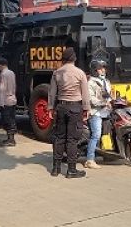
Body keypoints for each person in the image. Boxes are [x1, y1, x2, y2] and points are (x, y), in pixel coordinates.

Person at [48, 47, 90, 178]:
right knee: (71, 140)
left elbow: (52, 92)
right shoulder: (80, 73)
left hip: (61, 107)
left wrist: (50, 108)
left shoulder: (57, 73)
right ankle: (71, 170)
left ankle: (56, 168)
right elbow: (85, 93)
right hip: (75, 108)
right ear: (74, 58)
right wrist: (86, 108)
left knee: (59, 137)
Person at [84, 59, 111, 170]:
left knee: (108, 133)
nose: (103, 70)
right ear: (95, 70)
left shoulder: (106, 81)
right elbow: (91, 100)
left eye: (104, 68)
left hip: (106, 112)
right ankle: (89, 160)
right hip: (95, 112)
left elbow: (108, 95)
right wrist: (104, 103)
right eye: (100, 68)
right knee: (96, 134)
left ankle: (108, 155)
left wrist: (111, 101)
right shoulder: (90, 82)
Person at [0, 58, 17, 147]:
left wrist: (1, 102)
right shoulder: (11, 73)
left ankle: (10, 139)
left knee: (6, 119)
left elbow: (2, 89)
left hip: (5, 99)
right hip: (12, 98)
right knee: (12, 118)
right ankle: (10, 138)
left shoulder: (3, 74)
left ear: (1, 65)